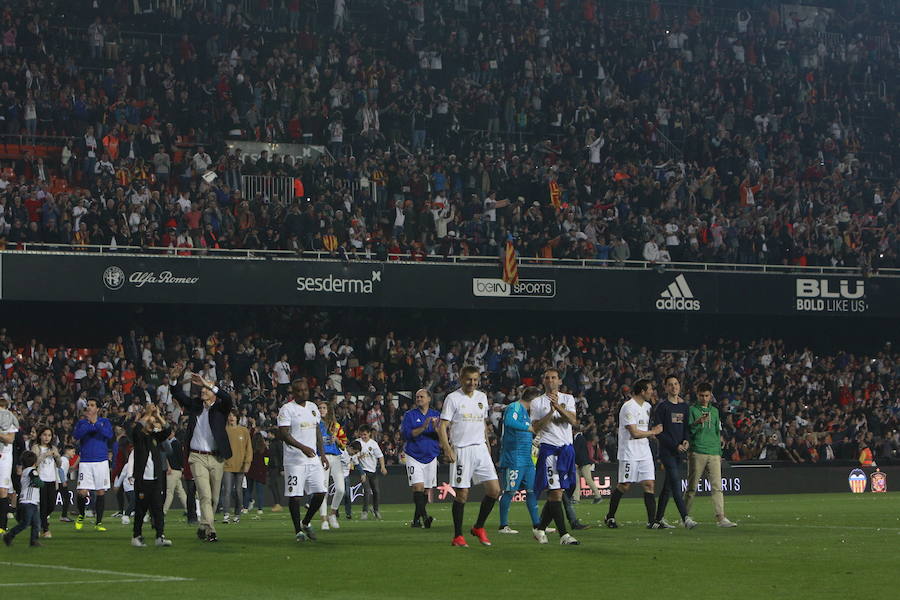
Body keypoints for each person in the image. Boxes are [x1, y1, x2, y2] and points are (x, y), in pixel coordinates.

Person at [168, 363, 234, 543]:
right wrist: (174, 379)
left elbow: (228, 398)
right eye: (202, 388)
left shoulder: (221, 407)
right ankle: (211, 530)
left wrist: (208, 383)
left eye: (206, 389)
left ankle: (203, 526)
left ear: (213, 391)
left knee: (214, 497)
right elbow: (178, 394)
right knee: (204, 494)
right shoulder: (196, 405)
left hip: (216, 457)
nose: (202, 391)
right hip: (197, 456)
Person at [437, 365, 501, 548]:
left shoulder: (482, 397)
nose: (472, 383)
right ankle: (458, 536)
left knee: (494, 491)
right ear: (461, 379)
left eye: (475, 380)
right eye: (469, 379)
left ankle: (478, 527)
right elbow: (442, 427)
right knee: (462, 494)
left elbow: (482, 423)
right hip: (462, 450)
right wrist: (448, 449)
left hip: (480, 448)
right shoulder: (453, 398)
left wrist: (487, 446)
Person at [531, 369, 581, 545]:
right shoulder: (537, 402)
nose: (550, 380)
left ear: (559, 381)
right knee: (556, 493)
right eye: (547, 378)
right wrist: (551, 412)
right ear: (543, 381)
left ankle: (540, 529)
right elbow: (536, 428)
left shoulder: (568, 399)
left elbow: (574, 421)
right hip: (549, 451)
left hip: (566, 451)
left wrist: (558, 406)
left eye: (554, 377)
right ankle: (564, 535)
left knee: (559, 492)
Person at [604, 379, 663, 529]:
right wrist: (653, 432)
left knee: (649, 484)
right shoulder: (628, 407)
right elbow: (634, 433)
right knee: (624, 485)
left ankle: (652, 521)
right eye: (650, 389)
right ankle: (610, 516)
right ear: (642, 391)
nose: (652, 392)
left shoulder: (648, 407)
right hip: (629, 452)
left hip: (644, 451)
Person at [278, 379, 329, 542]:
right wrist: (303, 448)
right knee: (296, 496)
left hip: (313, 459)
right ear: (293, 392)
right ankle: (298, 531)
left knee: (321, 492)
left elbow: (317, 433)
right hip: (295, 460)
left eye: (305, 390)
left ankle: (306, 522)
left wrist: (323, 454)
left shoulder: (313, 407)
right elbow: (284, 434)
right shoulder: (287, 409)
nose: (303, 393)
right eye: (299, 391)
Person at [683, 383, 737, 527]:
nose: (704, 398)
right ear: (697, 394)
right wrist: (697, 422)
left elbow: (716, 432)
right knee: (692, 487)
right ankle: (685, 516)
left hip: (713, 452)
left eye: (707, 395)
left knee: (717, 487)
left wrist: (719, 453)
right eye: (702, 395)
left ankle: (721, 518)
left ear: (711, 395)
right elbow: (687, 431)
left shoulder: (715, 411)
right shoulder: (692, 410)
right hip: (697, 451)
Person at [652, 376, 698, 529]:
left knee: (668, 486)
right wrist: (674, 445)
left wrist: (686, 440)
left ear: (680, 386)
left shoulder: (684, 407)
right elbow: (659, 432)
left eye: (676, 384)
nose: (674, 387)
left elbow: (686, 428)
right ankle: (685, 518)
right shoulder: (662, 407)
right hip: (667, 452)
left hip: (680, 451)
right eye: (670, 385)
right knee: (676, 483)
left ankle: (658, 519)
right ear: (665, 388)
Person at [497, 386, 541, 536]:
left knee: (531, 490)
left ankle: (537, 525)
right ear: (533, 399)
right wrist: (527, 428)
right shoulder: (514, 407)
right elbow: (509, 422)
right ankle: (503, 525)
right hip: (514, 457)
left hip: (526, 458)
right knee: (510, 491)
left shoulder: (525, 413)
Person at [130, 404, 174, 547]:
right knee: (141, 510)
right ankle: (136, 536)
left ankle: (160, 536)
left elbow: (167, 430)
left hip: (155, 480)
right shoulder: (139, 437)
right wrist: (148, 413)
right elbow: (137, 428)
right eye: (150, 422)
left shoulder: (155, 437)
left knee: (158, 509)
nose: (152, 424)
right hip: (142, 481)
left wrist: (158, 416)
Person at [401, 388, 441, 528]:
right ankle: (425, 517)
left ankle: (416, 521)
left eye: (421, 397)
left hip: (431, 456)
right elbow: (406, 434)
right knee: (418, 486)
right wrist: (423, 427)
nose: (418, 399)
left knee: (425, 489)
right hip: (414, 455)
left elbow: (441, 436)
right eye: (417, 397)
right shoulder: (409, 415)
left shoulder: (436, 415)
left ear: (429, 399)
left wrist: (437, 430)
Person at [73, 398, 113, 532]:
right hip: (85, 461)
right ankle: (82, 514)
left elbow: (108, 434)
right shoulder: (82, 423)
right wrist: (91, 424)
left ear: (97, 409)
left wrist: (95, 424)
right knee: (82, 492)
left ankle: (99, 522)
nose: (89, 407)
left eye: (92, 405)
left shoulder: (105, 422)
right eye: (88, 405)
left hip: (101, 461)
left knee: (100, 491)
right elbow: (77, 435)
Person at [317, 400, 347, 530]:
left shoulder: (336, 426)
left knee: (341, 488)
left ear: (329, 410)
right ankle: (323, 518)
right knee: (323, 490)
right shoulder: (316, 425)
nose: (321, 410)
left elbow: (344, 443)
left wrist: (337, 440)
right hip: (321, 458)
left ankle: (332, 514)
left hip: (336, 457)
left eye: (324, 408)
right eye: (320, 408)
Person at [2, 451, 42, 547]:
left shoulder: (25, 471)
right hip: (29, 501)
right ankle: (9, 535)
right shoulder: (32, 471)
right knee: (26, 523)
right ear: (34, 462)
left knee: (36, 522)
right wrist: (40, 483)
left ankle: (34, 541)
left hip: (27, 500)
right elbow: (38, 482)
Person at [222, 412, 252, 524]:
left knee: (239, 491)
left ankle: (237, 514)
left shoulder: (244, 431)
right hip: (227, 466)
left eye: (233, 415)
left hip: (240, 466)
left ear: (237, 418)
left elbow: (249, 448)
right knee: (227, 491)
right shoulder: (224, 430)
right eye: (229, 415)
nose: (231, 417)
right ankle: (226, 514)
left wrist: (247, 463)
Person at [353, 425, 387, 520]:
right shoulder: (357, 443)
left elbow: (380, 456)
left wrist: (383, 467)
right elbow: (352, 455)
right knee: (367, 491)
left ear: (369, 433)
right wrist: (359, 458)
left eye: (365, 434)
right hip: (363, 471)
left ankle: (376, 510)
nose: (363, 436)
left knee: (376, 491)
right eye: (361, 434)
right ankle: (364, 512)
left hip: (373, 470)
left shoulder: (374, 444)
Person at [34, 427, 62, 538]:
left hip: (52, 480)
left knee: (51, 505)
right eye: (45, 435)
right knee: (44, 505)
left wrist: (56, 456)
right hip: (41, 480)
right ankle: (45, 529)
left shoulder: (54, 448)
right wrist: (44, 455)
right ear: (40, 436)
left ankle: (39, 521)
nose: (47, 437)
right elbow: (34, 463)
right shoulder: (36, 448)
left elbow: (59, 464)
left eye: (49, 435)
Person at [0, 395, 19, 535]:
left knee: (3, 491)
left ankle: (2, 525)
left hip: (4, 457)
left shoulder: (10, 419)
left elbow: (10, 439)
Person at [573, 430, 603, 504]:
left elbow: (578, 452)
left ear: (573, 431)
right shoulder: (580, 437)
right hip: (580, 463)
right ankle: (576, 499)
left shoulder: (579, 438)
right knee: (577, 480)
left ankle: (598, 496)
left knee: (588, 479)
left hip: (583, 463)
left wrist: (576, 462)